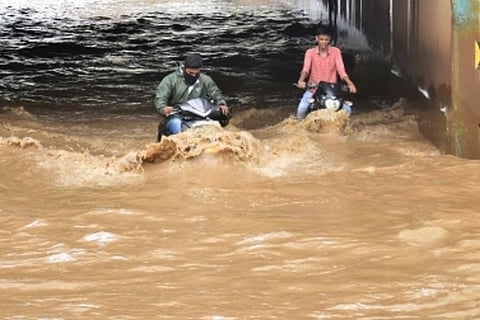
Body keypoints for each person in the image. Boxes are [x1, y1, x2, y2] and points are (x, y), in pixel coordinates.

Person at [154, 54, 229, 140]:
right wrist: (163, 108)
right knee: (175, 125)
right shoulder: (170, 80)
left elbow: (216, 93)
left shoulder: (205, 80)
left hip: (200, 114)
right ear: (185, 68)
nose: (193, 76)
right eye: (190, 73)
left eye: (196, 73)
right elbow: (160, 98)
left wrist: (221, 103)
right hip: (178, 115)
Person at [296, 25, 357, 120]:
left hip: (332, 92)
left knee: (347, 110)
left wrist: (350, 83)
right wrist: (301, 80)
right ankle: (299, 129)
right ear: (317, 38)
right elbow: (305, 70)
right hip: (314, 90)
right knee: (302, 109)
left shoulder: (336, 52)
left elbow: (342, 72)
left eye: (326, 39)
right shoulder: (310, 53)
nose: (324, 42)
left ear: (330, 40)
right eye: (321, 39)